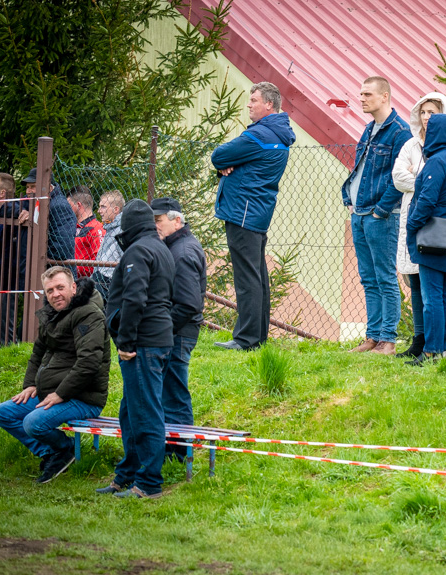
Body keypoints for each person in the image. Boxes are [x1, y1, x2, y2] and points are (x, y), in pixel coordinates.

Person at [0, 266, 109, 483]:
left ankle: (64, 449)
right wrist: (30, 384)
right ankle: (52, 453)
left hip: (83, 397)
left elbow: (89, 363)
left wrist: (61, 394)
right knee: (5, 413)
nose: (55, 294)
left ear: (73, 287)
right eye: (49, 290)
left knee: (33, 423)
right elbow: (38, 352)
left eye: (60, 288)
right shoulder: (53, 314)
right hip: (53, 392)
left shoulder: (89, 314)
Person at [98, 199, 175, 499]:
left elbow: (134, 299)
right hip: (157, 339)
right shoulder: (160, 249)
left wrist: (126, 343)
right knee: (130, 413)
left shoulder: (139, 250)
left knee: (144, 413)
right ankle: (126, 475)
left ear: (129, 226)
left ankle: (148, 484)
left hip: (142, 343)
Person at [211, 82, 296, 351]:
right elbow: (233, 161)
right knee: (257, 275)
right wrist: (229, 165)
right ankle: (257, 337)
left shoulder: (259, 135)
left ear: (269, 104)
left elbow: (219, 155)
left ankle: (245, 339)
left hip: (243, 212)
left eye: (254, 100)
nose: (249, 104)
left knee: (247, 278)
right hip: (257, 212)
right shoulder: (279, 134)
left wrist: (226, 165)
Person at [342, 76, 412, 355]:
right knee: (368, 277)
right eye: (360, 94)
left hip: (381, 215)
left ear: (385, 96)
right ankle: (372, 337)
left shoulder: (399, 132)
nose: (362, 98)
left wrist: (380, 210)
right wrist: (351, 200)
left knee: (384, 277)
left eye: (368, 94)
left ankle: (388, 340)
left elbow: (400, 177)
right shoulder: (370, 128)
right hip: (359, 212)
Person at [391, 92, 446, 359]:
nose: (427, 117)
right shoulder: (411, 145)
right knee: (415, 282)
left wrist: (419, 178)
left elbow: (434, 187)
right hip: (412, 216)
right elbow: (397, 177)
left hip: (436, 224)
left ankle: (438, 342)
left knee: (438, 288)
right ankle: (420, 339)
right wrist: (423, 179)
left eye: (433, 112)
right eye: (424, 112)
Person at [404, 114, 446, 365]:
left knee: (431, 296)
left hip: (432, 233)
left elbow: (427, 200)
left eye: (431, 127)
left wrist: (412, 224)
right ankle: (443, 348)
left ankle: (430, 351)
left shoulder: (437, 161)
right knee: (443, 293)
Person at [151, 197, 206, 461]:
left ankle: (181, 453)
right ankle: (173, 450)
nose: (155, 226)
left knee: (174, 391)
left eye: (159, 220)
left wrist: (162, 330)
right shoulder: (176, 246)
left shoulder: (182, 252)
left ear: (176, 220)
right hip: (176, 330)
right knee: (169, 390)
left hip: (179, 332)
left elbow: (188, 304)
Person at [19, 168, 76, 267]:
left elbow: (63, 248)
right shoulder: (35, 200)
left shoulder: (59, 206)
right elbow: (18, 205)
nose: (28, 191)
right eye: (27, 187)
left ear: (48, 187)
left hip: (55, 270)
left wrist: (39, 255)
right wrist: (23, 210)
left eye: (33, 186)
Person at [0, 172, 21, 345]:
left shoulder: (15, 211)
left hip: (6, 278)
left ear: (2, 193)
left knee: (2, 321)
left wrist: (25, 213)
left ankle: (10, 352)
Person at [91, 190, 124, 301]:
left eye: (103, 207)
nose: (99, 211)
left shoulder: (121, 231)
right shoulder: (110, 228)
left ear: (116, 210)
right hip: (102, 283)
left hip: (110, 284)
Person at [68, 186, 105, 278]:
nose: (66, 209)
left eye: (69, 205)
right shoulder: (74, 227)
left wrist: (69, 268)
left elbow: (99, 263)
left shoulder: (96, 229)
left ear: (78, 205)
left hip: (86, 284)